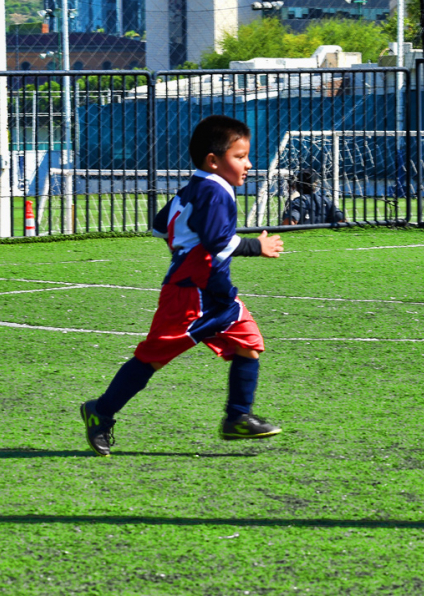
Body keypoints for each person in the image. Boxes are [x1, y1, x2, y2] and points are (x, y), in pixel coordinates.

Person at [80, 115, 285, 457]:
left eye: (248, 156)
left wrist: (182, 249)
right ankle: (99, 411)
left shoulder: (192, 188)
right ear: (214, 161)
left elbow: (161, 227)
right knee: (152, 359)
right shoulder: (215, 191)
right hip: (190, 295)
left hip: (216, 294)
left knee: (249, 343)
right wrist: (256, 246)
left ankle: (238, 417)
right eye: (240, 156)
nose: (249, 164)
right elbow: (217, 241)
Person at [281, 168, 345, 225]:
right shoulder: (326, 200)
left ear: (297, 184)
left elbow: (289, 222)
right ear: (316, 185)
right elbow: (342, 220)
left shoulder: (298, 202)